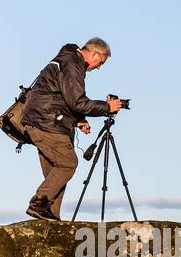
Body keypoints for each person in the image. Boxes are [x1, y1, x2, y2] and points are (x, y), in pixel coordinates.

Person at [22, 38, 122, 221]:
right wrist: (108, 108)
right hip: (47, 123)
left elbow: (59, 96)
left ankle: (50, 216)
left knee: (56, 172)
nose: (98, 68)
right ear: (94, 54)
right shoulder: (73, 64)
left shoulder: (66, 60)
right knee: (67, 164)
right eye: (100, 63)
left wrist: (76, 120)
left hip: (39, 120)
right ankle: (38, 203)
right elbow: (77, 102)